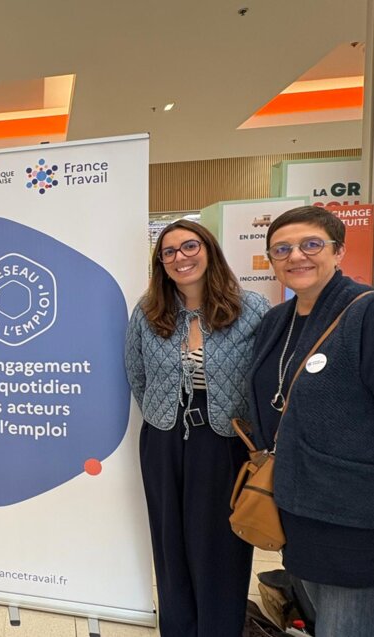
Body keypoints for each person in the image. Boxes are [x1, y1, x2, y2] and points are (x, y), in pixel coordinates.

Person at [125, 219, 270, 637]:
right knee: (170, 543)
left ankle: (220, 628)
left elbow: (264, 377)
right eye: (168, 252)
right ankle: (177, 628)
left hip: (224, 440)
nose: (179, 258)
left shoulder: (251, 308)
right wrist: (160, 412)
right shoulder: (149, 310)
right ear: (161, 263)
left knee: (219, 545)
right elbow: (136, 372)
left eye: (189, 247)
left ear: (208, 250)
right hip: (163, 436)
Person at [249, 205, 374, 636]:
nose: (295, 256)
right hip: (294, 503)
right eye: (281, 249)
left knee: (347, 624)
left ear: (338, 251)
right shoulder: (275, 322)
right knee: (318, 617)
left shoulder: (364, 314)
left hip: (351, 513)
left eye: (311, 244)